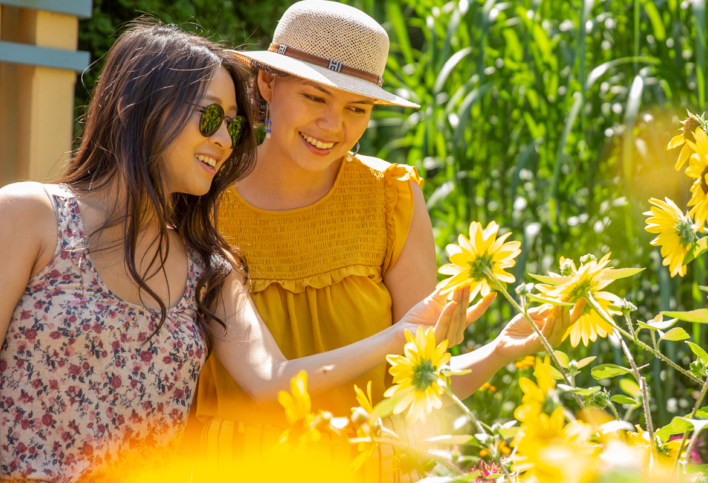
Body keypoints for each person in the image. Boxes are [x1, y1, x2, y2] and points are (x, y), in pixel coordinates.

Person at [0, 20, 482, 483]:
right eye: (210, 117)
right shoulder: (30, 215)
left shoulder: (208, 264)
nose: (223, 140)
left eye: (233, 127)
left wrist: (409, 333)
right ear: (139, 106)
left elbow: (273, 380)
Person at [188, 2, 582, 478]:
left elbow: (419, 379)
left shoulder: (389, 197)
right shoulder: (200, 193)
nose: (334, 126)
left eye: (357, 108)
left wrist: (497, 351)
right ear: (268, 83)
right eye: (315, 98)